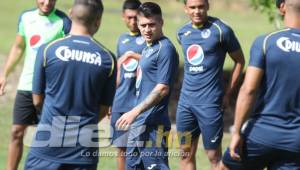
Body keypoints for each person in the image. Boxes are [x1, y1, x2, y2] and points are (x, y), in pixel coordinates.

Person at [24, 0, 116, 169]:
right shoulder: (107, 59)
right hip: (83, 151)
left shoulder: (47, 50)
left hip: (46, 145)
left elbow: (37, 100)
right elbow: (103, 109)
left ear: (71, 14)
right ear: (98, 20)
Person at [222, 0, 300, 169]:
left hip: (260, 135)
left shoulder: (266, 42)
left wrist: (236, 132)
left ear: (281, 8)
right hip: (296, 142)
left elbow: (248, 90)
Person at [0, 0, 71, 169]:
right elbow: (19, 46)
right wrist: (4, 74)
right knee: (17, 132)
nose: (47, 3)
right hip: (26, 86)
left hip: (50, 90)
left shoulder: (64, 21)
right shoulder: (25, 17)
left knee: (48, 138)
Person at [175, 0, 245, 169]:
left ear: (207, 6)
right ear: (186, 9)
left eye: (200, 6)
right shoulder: (182, 33)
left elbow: (240, 61)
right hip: (185, 105)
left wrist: (228, 94)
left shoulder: (221, 31)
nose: (197, 11)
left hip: (210, 104)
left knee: (214, 156)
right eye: (192, 7)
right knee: (185, 154)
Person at [116, 2, 179, 170]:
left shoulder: (165, 49)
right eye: (143, 25)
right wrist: (131, 55)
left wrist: (134, 111)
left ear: (161, 23)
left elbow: (162, 88)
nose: (147, 30)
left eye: (152, 25)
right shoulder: (148, 47)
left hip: (153, 125)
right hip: (139, 123)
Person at [109, 1, 146, 170]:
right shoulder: (121, 39)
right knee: (121, 149)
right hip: (120, 101)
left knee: (143, 148)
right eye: (129, 17)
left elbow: (155, 62)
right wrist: (111, 99)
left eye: (135, 17)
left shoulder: (148, 37)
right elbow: (119, 72)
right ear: (123, 17)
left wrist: (133, 55)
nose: (133, 21)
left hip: (140, 103)